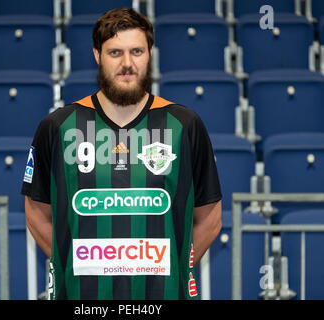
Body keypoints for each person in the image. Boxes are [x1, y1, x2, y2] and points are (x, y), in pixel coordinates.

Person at [21, 7, 222, 300]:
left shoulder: (185, 125)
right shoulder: (57, 126)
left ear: (150, 54)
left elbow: (210, 218)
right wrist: (77, 264)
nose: (127, 64)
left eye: (137, 51)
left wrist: (174, 266)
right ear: (97, 56)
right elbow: (36, 213)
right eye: (115, 53)